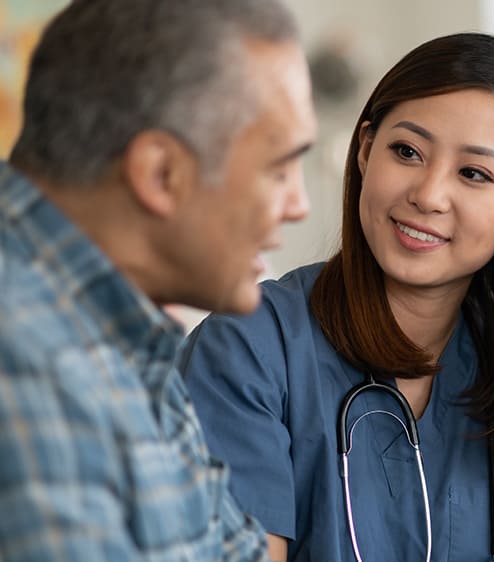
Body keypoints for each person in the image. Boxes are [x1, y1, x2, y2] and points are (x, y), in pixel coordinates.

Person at [180, 32, 494, 561]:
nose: (429, 195)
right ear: (366, 150)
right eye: (407, 151)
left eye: (474, 174)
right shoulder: (249, 348)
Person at [0, 0, 316, 560]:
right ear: (161, 174)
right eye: (279, 169)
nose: (299, 205)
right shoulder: (24, 364)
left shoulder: (129, 342)